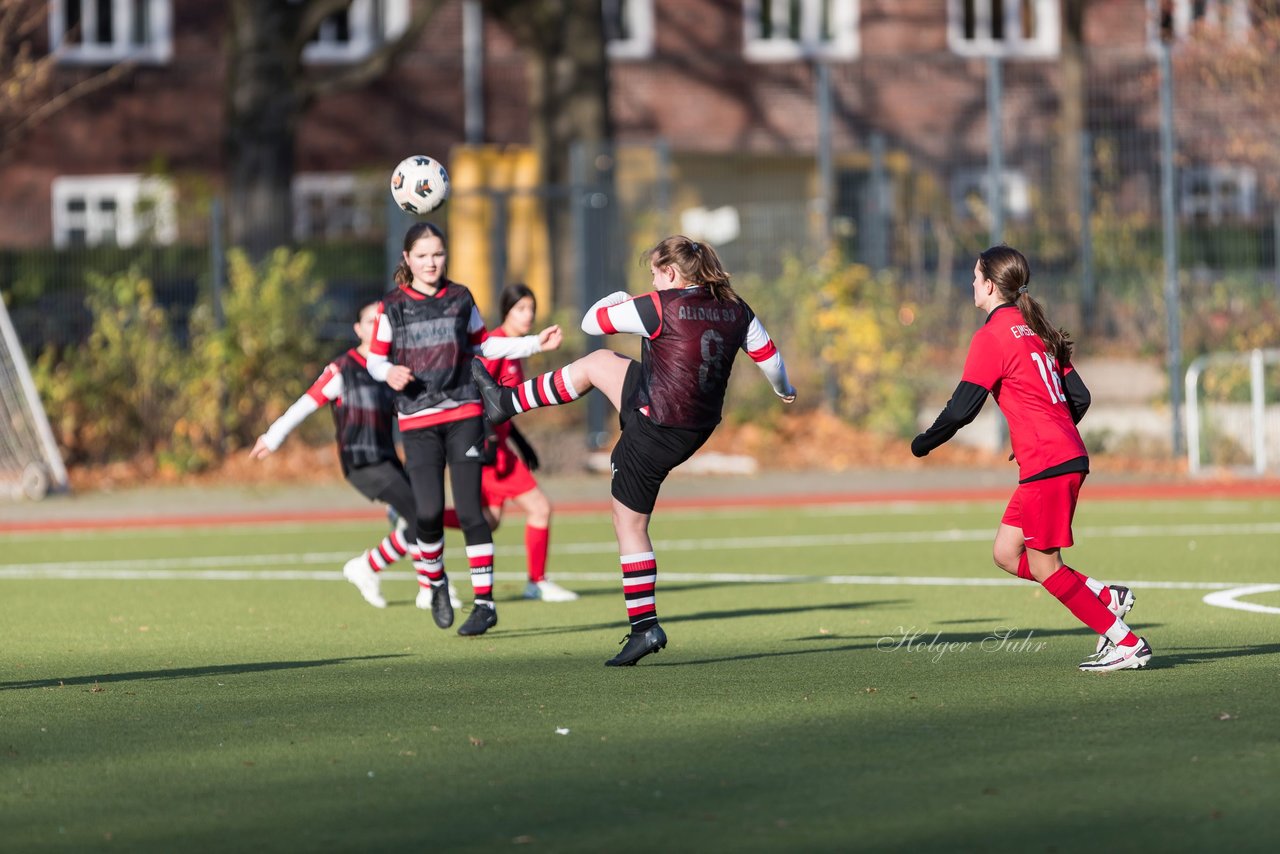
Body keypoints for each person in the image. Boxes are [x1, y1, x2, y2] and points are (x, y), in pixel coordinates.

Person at [473, 235, 796, 666]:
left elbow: (591, 321)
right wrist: (785, 391)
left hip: (657, 425)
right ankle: (506, 402)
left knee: (628, 522)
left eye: (654, 274)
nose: (652, 281)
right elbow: (771, 360)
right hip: (690, 421)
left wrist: (623, 297)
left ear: (671, 273)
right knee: (598, 364)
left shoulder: (659, 304)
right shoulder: (736, 307)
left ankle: (644, 627)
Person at [910, 245, 1151, 672]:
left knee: (1044, 565)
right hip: (1061, 456)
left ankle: (1126, 642)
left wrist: (924, 442)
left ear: (988, 285)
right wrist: (1049, 430)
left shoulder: (992, 335)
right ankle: (1104, 596)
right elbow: (1080, 397)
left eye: (974, 277)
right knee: (1006, 552)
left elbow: (962, 408)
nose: (972, 284)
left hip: (1048, 462)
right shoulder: (1035, 326)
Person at [366, 222, 562, 637]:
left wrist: (534, 344)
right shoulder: (391, 306)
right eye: (421, 255)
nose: (431, 262)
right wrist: (389, 373)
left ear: (445, 255)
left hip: (463, 415)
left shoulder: (460, 297)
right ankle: (436, 584)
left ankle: (485, 605)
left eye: (437, 254)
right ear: (407, 260)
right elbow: (374, 359)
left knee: (474, 512)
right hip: (417, 421)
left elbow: (485, 345)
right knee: (429, 512)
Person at [250, 301, 462, 612]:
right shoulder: (343, 369)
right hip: (361, 462)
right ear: (358, 329)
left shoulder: (392, 368)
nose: (377, 326)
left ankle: (375, 569)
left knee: (419, 516)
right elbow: (306, 403)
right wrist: (274, 436)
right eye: (370, 322)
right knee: (420, 513)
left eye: (383, 321)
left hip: (389, 459)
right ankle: (431, 586)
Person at [442, 283, 579, 603]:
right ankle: (537, 581)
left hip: (497, 447)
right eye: (521, 309)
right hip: (489, 452)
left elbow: (502, 404)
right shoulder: (499, 345)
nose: (528, 315)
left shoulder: (515, 347)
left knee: (487, 521)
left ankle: (421, 518)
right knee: (540, 508)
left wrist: (519, 439)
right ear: (506, 311)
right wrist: (490, 441)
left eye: (531, 308)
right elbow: (479, 393)